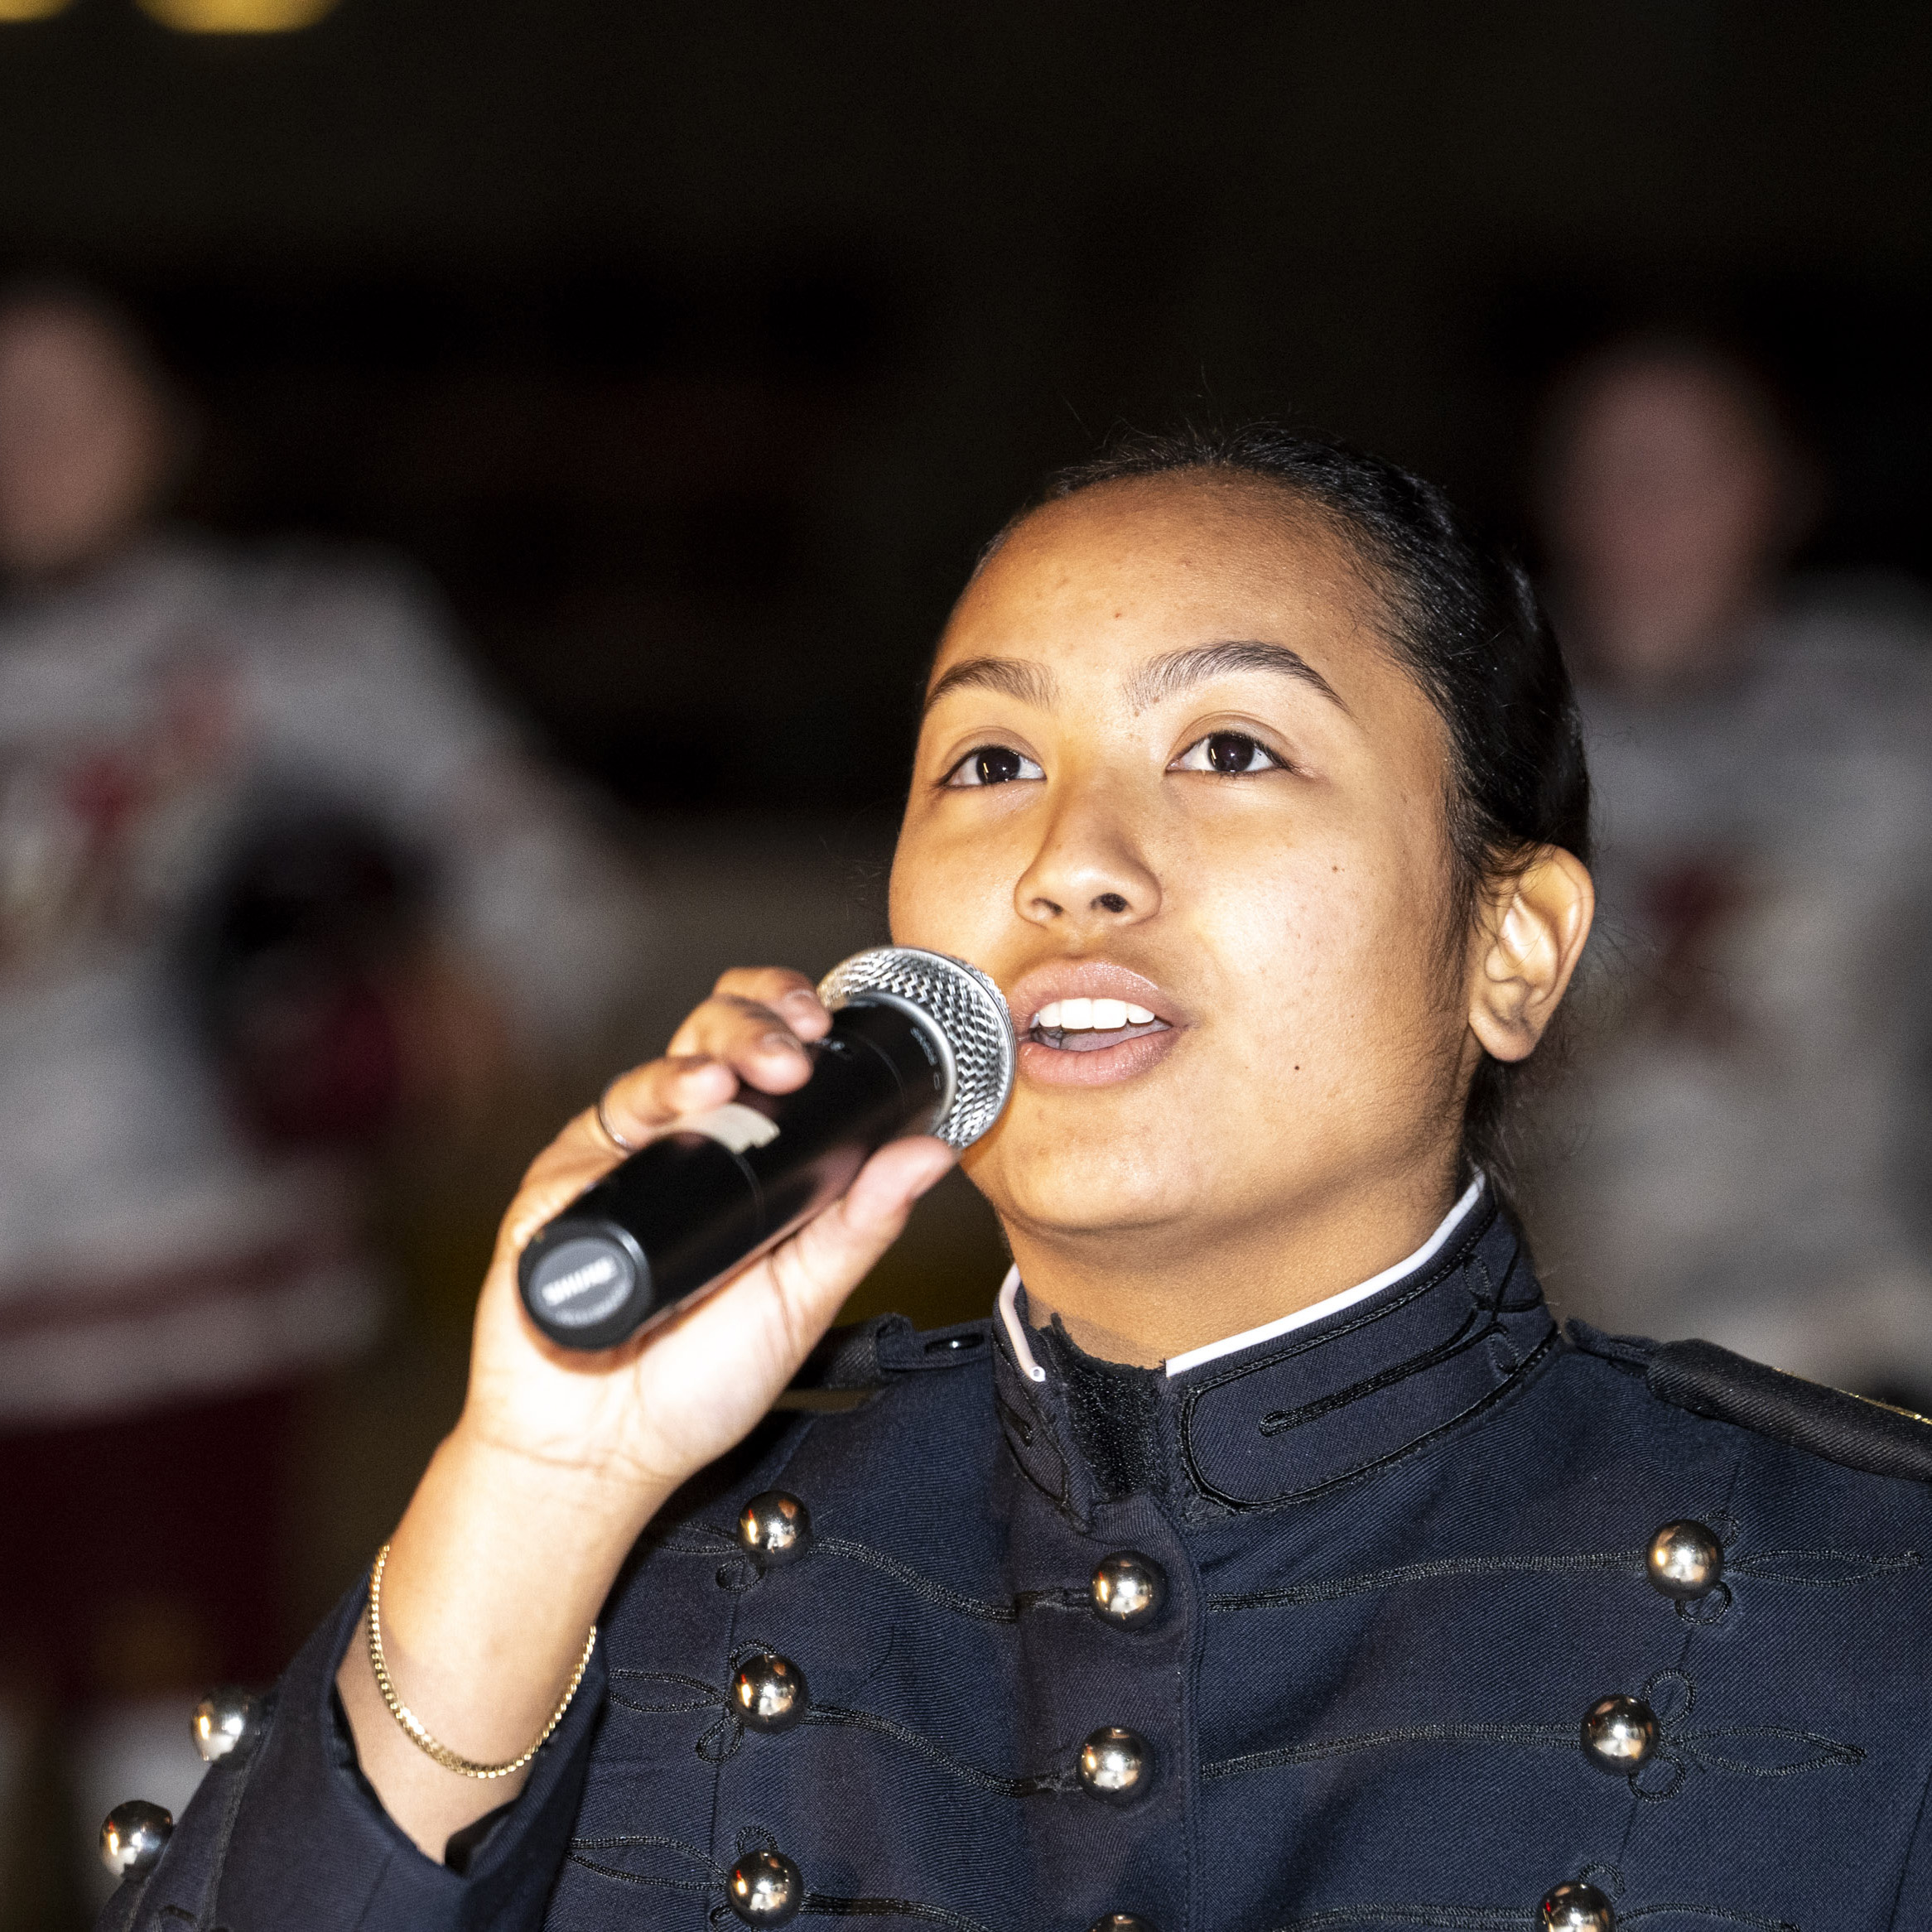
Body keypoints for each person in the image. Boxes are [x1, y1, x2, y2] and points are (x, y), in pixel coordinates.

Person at [108, 424, 1932, 1932]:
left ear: (1513, 949)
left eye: (1230, 747)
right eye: (989, 760)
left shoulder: (1869, 1607)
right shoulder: (628, 1574)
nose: (1072, 862)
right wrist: (540, 1478)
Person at [0, 282, 643, 1905]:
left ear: (169, 423)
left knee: (159, 1742)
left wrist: (455, 996)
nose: (27, 447)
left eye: (69, 403)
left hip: (180, 1296)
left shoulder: (293, 642)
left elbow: (556, 889)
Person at [1520, 336, 1932, 1405]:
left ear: (1781, 490)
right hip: (1566, 1342)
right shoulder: (1473, 724)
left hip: (1852, 1321)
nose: (1648, 501)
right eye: (1612, 463)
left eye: (1694, 464)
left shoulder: (1892, 702)